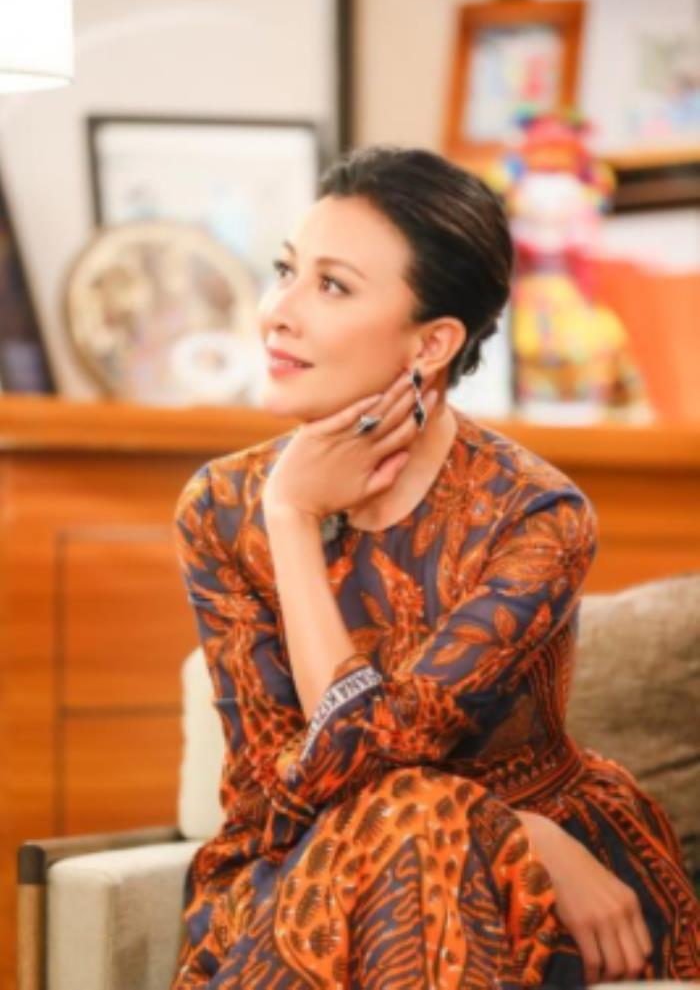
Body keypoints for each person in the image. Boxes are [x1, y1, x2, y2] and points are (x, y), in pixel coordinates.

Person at [170, 145, 699, 989]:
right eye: (286, 271)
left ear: (433, 342)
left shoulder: (534, 515)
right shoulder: (223, 507)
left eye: (331, 285)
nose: (277, 312)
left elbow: (368, 753)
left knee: (419, 819)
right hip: (308, 863)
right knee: (412, 818)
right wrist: (289, 514)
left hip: (529, 898)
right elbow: (276, 788)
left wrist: (513, 838)